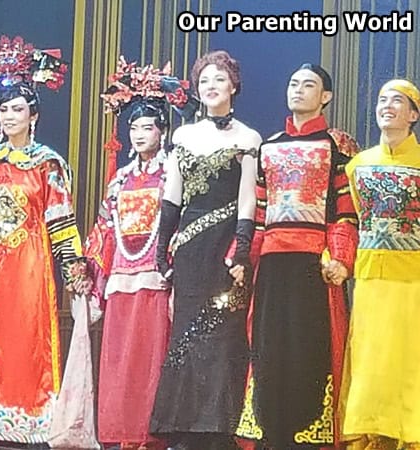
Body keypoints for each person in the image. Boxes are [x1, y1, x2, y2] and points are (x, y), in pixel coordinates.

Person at [0, 36, 91, 444]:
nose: (8, 116)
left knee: (22, 343)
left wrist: (74, 267)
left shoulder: (48, 164)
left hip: (28, 268)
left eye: (17, 109)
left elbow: (61, 220)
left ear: (33, 115)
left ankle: (25, 421)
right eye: (2, 109)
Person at [236, 63, 359, 450]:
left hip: (314, 264)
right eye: (293, 83)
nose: (298, 90)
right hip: (272, 263)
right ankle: (271, 431)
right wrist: (245, 260)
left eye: (309, 85)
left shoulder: (336, 147)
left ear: (326, 97)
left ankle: (312, 434)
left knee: (309, 347)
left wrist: (340, 257)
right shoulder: (268, 147)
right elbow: (258, 212)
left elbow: (345, 210)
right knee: (268, 347)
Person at [150, 50, 261, 450]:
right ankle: (184, 426)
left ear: (233, 85)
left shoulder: (249, 138)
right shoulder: (182, 136)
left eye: (218, 79)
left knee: (225, 334)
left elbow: (248, 199)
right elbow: (171, 196)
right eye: (203, 82)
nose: (210, 87)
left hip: (226, 247)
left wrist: (243, 250)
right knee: (187, 332)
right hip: (191, 249)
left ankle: (219, 428)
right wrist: (161, 249)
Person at [86, 57, 195, 450]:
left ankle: (151, 434)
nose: (137, 135)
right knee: (118, 361)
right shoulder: (120, 179)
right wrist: (92, 270)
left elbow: (182, 224)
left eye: (146, 127)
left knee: (150, 360)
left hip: (156, 278)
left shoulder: (173, 174)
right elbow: (104, 228)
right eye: (132, 128)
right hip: (121, 278)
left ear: (162, 131)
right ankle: (118, 432)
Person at [340, 79, 420, 450]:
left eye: (397, 101)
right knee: (372, 360)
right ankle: (371, 434)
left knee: (408, 360)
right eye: (381, 100)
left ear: (414, 115)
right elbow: (353, 220)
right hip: (371, 277)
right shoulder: (358, 165)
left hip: (413, 280)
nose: (387, 106)